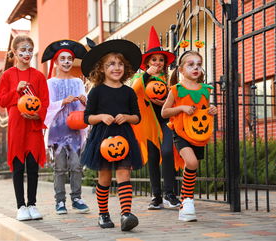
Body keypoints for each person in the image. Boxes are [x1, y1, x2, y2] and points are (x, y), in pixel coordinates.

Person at [80, 38, 143, 231]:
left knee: (124, 172)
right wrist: (100, 117)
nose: (117, 68)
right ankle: (103, 214)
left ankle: (125, 214)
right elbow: (86, 117)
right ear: (101, 68)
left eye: (120, 64)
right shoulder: (97, 92)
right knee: (105, 177)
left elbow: (137, 117)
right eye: (111, 64)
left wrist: (127, 117)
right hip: (102, 137)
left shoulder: (129, 92)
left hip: (124, 136)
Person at [161, 50, 217, 222]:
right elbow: (164, 112)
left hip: (198, 135)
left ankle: (186, 200)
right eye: (191, 64)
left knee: (193, 166)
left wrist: (212, 110)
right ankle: (187, 200)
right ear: (181, 69)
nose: (196, 68)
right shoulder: (176, 90)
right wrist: (181, 108)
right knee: (190, 162)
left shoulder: (206, 90)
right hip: (180, 133)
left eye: (199, 65)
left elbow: (204, 110)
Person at [0, 35, 49, 221]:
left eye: (29, 50)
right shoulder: (7, 75)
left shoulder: (39, 76)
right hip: (17, 126)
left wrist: (38, 114)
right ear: (14, 53)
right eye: (23, 50)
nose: (26, 54)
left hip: (33, 126)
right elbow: (2, 100)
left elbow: (45, 101)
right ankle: (21, 206)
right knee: (18, 167)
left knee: (33, 167)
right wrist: (16, 90)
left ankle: (33, 204)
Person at [131, 26, 181, 210]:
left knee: (167, 151)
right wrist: (146, 74)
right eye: (154, 59)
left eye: (161, 60)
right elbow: (133, 91)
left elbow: (178, 98)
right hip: (148, 122)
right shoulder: (141, 77)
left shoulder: (171, 78)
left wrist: (165, 105)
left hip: (166, 120)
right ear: (147, 62)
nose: (158, 62)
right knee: (152, 156)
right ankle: (156, 196)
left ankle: (170, 193)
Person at [41, 40, 90, 215]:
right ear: (56, 62)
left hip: (75, 129)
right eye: (63, 58)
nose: (67, 62)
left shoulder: (78, 82)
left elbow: (85, 104)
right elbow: (46, 107)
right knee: (60, 167)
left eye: (70, 58)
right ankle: (60, 201)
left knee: (76, 165)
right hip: (58, 130)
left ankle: (76, 198)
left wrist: (85, 101)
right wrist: (63, 101)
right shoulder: (50, 83)